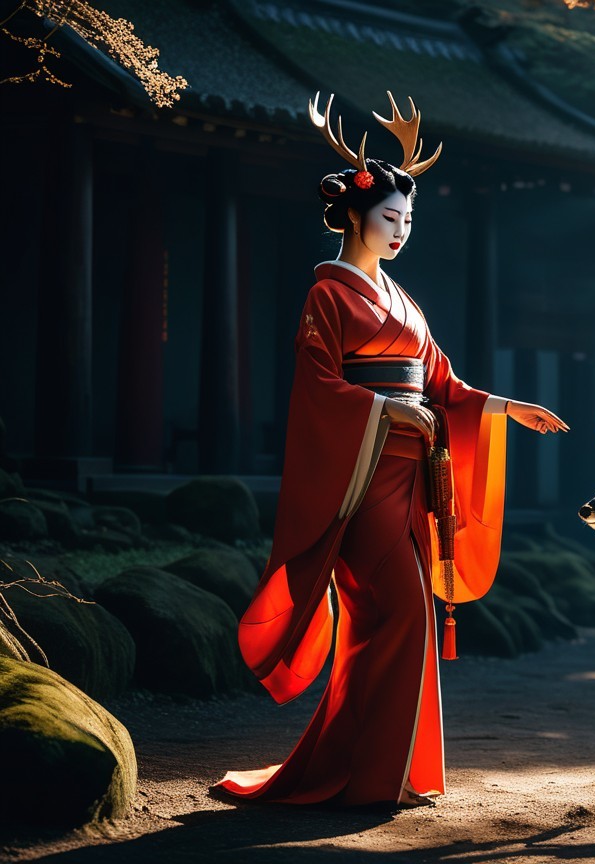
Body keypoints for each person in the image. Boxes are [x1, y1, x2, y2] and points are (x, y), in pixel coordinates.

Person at [215, 94, 567, 809]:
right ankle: (368, 776)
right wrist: (388, 408)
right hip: (361, 478)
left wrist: (503, 407)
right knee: (401, 611)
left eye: (408, 221)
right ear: (353, 215)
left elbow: (442, 381)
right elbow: (318, 389)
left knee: (393, 622)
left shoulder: (403, 301)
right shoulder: (329, 297)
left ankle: (384, 771)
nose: (400, 232)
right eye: (389, 218)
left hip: (409, 480)